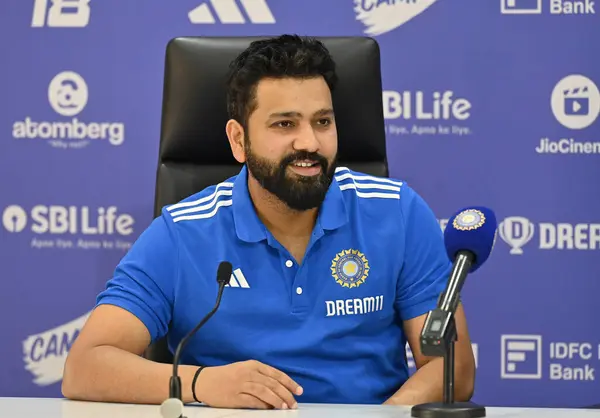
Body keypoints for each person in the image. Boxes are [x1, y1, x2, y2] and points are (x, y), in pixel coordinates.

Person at [62, 34, 476, 410]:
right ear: (239, 140)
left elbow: (451, 369)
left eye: (323, 122)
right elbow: (85, 367)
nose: (310, 143)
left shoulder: (398, 213)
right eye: (284, 124)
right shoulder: (182, 232)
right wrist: (201, 383)